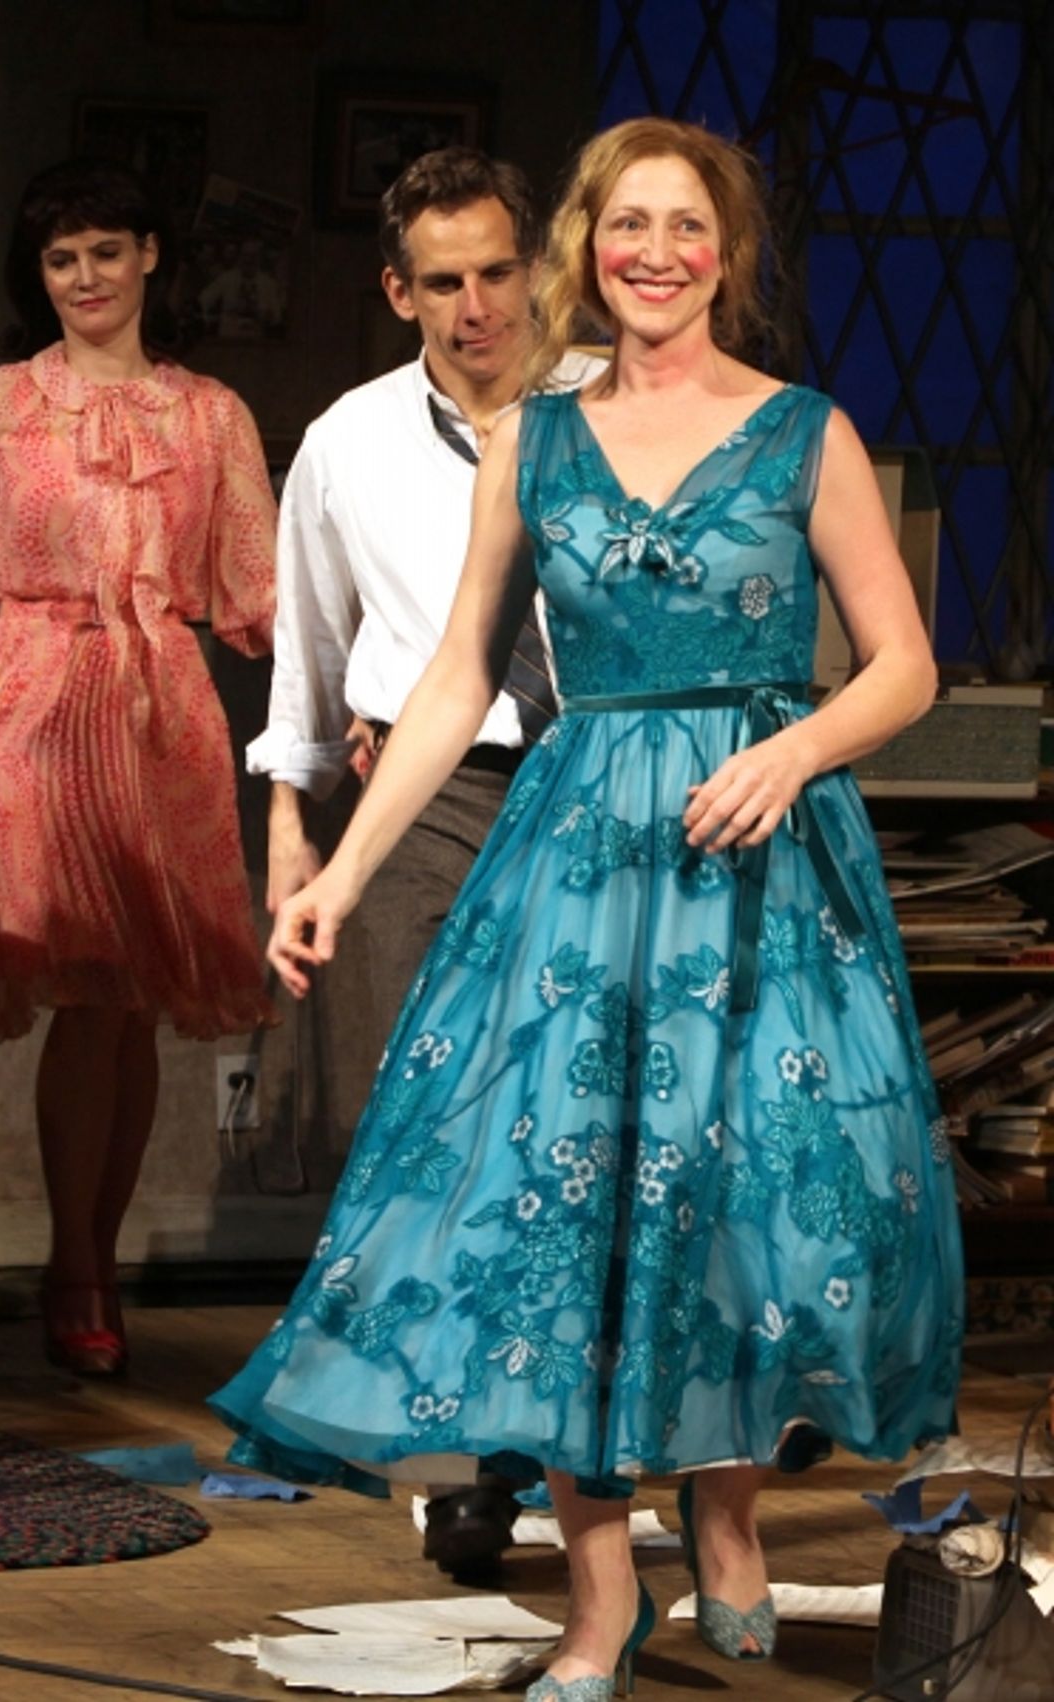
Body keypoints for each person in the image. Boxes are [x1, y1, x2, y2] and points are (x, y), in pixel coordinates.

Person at [212, 112, 964, 1694]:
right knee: (560, 1216)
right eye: (628, 225)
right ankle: (603, 1598)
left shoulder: (804, 432)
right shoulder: (528, 444)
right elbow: (450, 686)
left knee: (739, 1201)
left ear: (728, 253)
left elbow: (906, 662)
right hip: (578, 862)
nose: (657, 254)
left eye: (687, 227)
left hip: (759, 858)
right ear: (588, 249)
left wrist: (798, 750)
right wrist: (336, 873)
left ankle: (736, 1518)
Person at [248, 145, 600, 1576]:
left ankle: (570, 1449)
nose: (476, 307)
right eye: (442, 281)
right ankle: (465, 1460)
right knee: (429, 1129)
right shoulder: (346, 439)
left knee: (574, 1136)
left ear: (537, 268)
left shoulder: (605, 409)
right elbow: (305, 652)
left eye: (498, 272)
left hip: (590, 782)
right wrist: (291, 828)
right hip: (420, 787)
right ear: (399, 291)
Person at [0, 158, 278, 1379]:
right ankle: (77, 1271)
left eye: (107, 251)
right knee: (82, 998)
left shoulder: (210, 413)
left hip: (163, 712)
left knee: (131, 1011)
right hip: (31, 700)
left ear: (150, 257)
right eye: (62, 259)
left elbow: (256, 589)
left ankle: (91, 1262)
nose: (86, 278)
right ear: (41, 276)